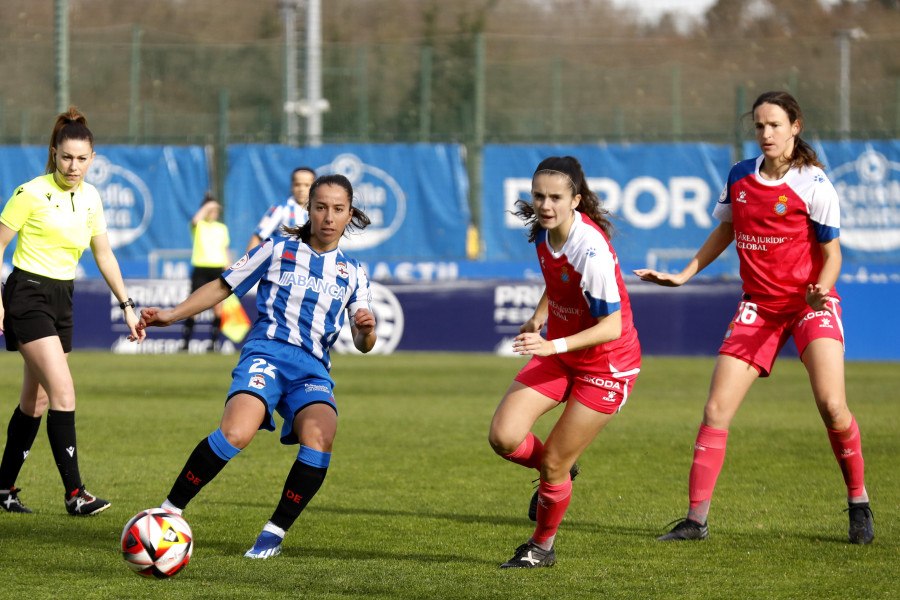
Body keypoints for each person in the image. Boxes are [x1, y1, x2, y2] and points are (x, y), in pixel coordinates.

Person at [634, 91, 874, 545]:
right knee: (715, 409)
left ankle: (859, 504)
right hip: (758, 307)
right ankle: (695, 521)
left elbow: (832, 252)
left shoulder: (815, 184)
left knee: (832, 405)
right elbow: (726, 228)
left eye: (775, 125)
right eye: (760, 126)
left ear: (795, 127)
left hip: (809, 305)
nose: (766, 134)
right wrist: (684, 275)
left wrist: (822, 287)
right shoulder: (740, 176)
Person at [139, 173, 376, 559]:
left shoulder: (355, 274)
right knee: (236, 432)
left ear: (350, 214)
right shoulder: (278, 248)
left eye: (337, 209)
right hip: (267, 352)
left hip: (313, 369)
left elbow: (365, 343)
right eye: (320, 208)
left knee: (322, 435)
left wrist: (367, 330)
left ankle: (273, 533)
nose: (328, 217)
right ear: (309, 210)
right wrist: (172, 315)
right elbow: (222, 286)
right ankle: (168, 511)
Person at [488, 156, 641, 568]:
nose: (544, 204)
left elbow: (612, 326)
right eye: (539, 195)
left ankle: (541, 547)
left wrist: (551, 346)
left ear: (576, 199)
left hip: (606, 364)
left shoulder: (589, 248)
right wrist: (540, 316)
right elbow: (558, 282)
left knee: (554, 461)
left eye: (556, 197)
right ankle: (561, 472)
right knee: (503, 436)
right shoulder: (543, 232)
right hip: (562, 350)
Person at [0, 107, 144, 515]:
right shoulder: (30, 192)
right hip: (27, 295)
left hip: (63, 299)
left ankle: (2, 489)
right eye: (66, 157)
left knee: (37, 401)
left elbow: (105, 256)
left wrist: (128, 307)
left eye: (82, 159)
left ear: (93, 158)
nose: (73, 166)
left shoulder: (92, 198)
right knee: (63, 391)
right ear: (54, 153)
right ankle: (75, 495)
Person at [181, 192, 230, 352]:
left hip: (217, 268)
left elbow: (224, 249)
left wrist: (228, 267)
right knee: (193, 307)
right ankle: (186, 344)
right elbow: (195, 220)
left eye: (215, 210)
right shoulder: (199, 226)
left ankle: (214, 344)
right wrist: (208, 204)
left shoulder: (222, 228)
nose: (213, 213)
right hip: (201, 268)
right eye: (210, 209)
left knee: (217, 307)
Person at [245, 166, 316, 252]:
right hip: (286, 261)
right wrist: (249, 263)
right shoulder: (281, 209)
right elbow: (257, 237)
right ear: (292, 186)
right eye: (297, 184)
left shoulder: (319, 210)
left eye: (307, 185)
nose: (301, 189)